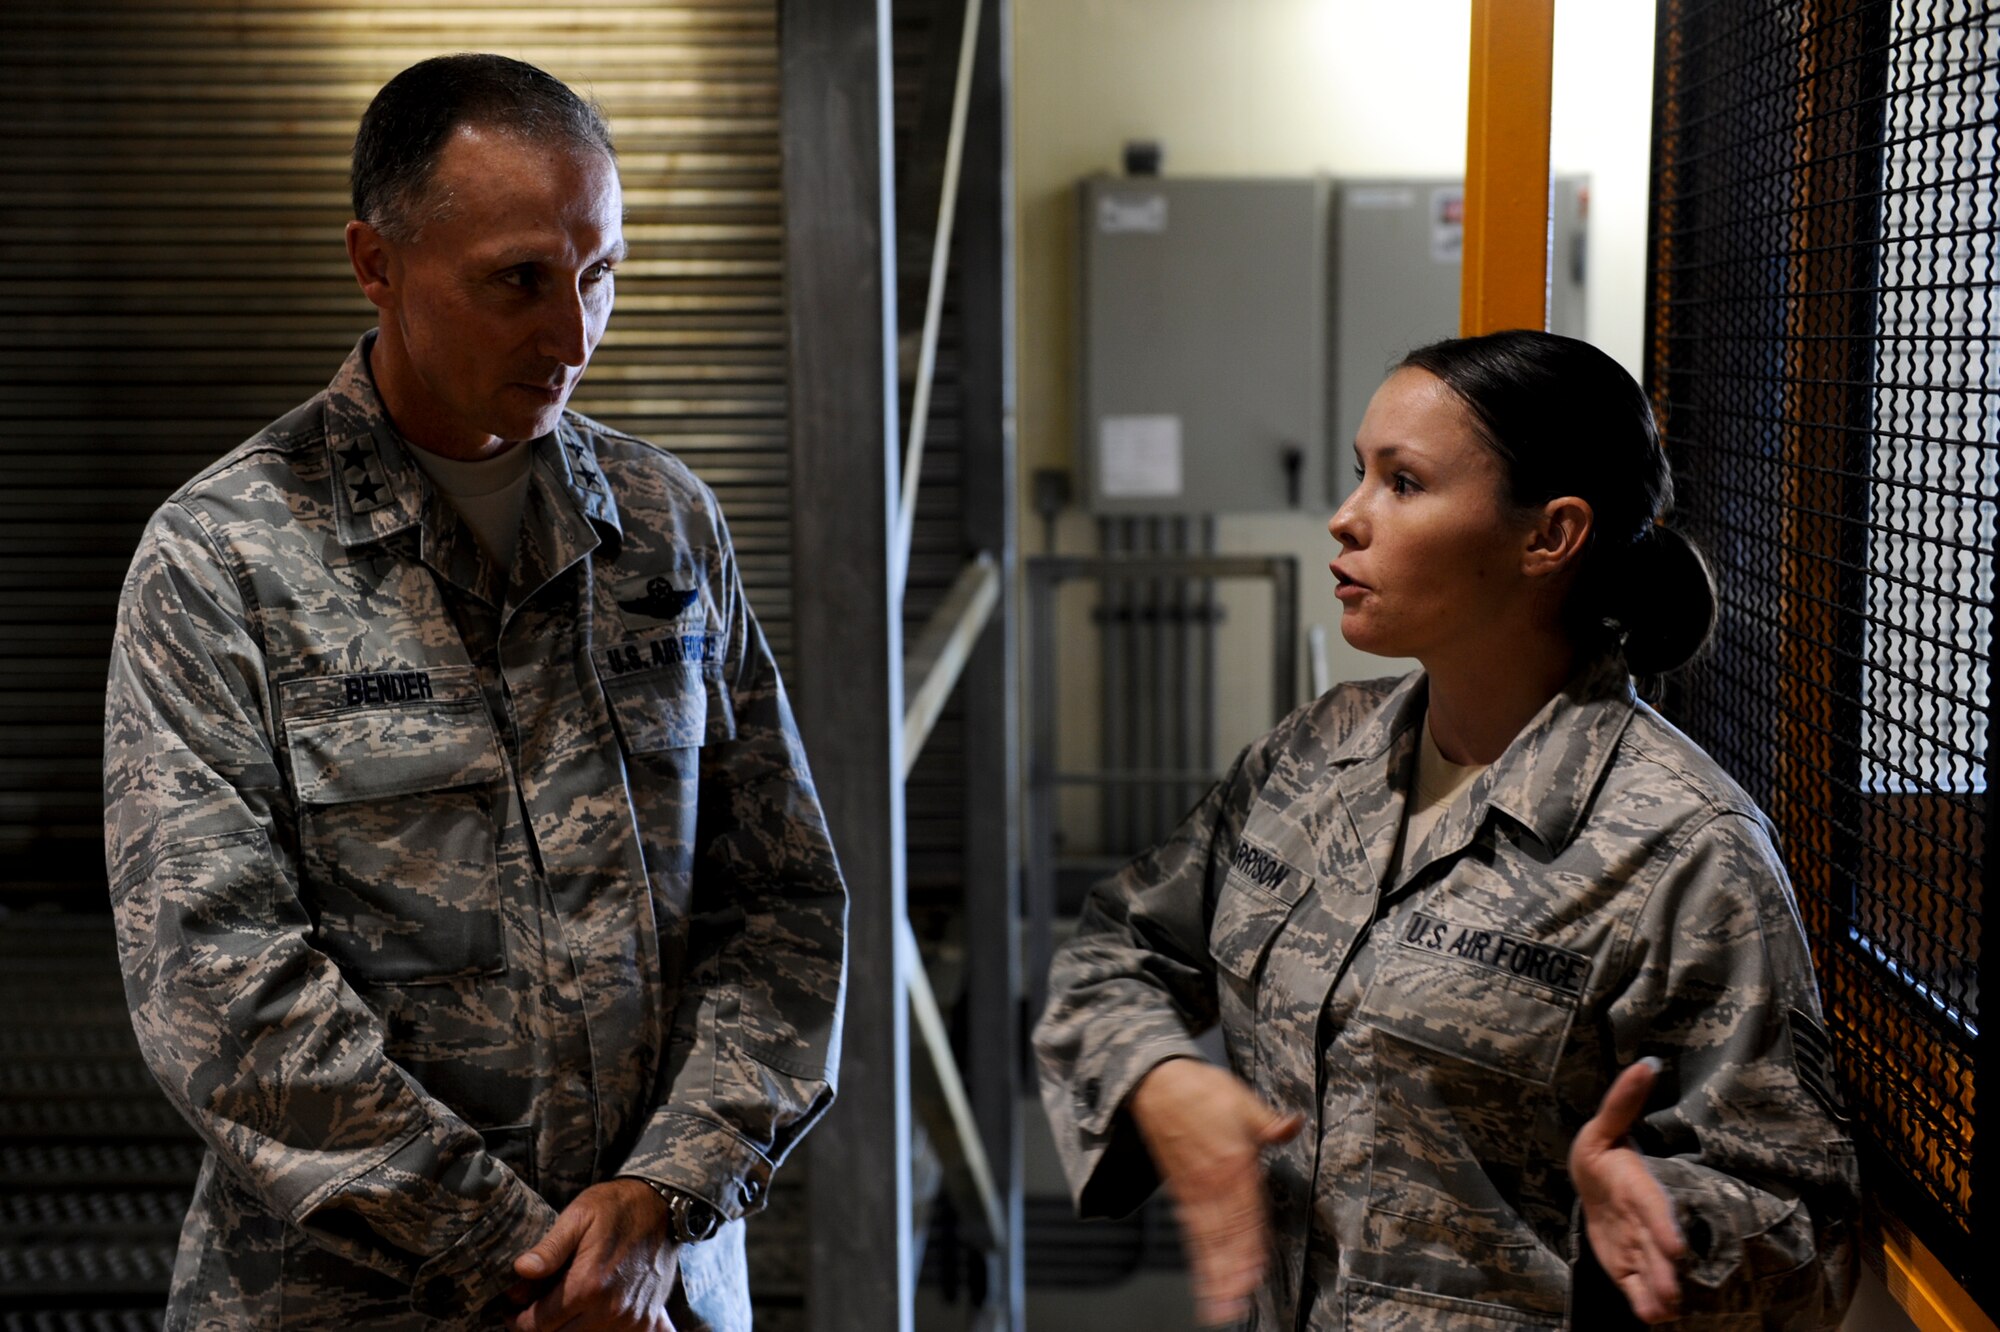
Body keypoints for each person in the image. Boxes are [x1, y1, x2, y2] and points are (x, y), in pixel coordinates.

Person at [102, 54, 847, 1332]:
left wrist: (664, 1197)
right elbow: (219, 985)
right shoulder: (224, 555)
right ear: (374, 262)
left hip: (654, 1288)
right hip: (356, 1300)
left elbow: (779, 905)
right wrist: (523, 1264)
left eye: (600, 275)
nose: (572, 335)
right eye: (518, 282)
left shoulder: (664, 527)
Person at [1033, 330, 1860, 1330]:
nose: (1345, 518)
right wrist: (1157, 1076)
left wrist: (1677, 1229)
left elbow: (1799, 1222)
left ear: (1547, 537)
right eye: (1357, 475)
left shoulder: (1682, 849)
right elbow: (1110, 952)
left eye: (1404, 483)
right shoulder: (1309, 757)